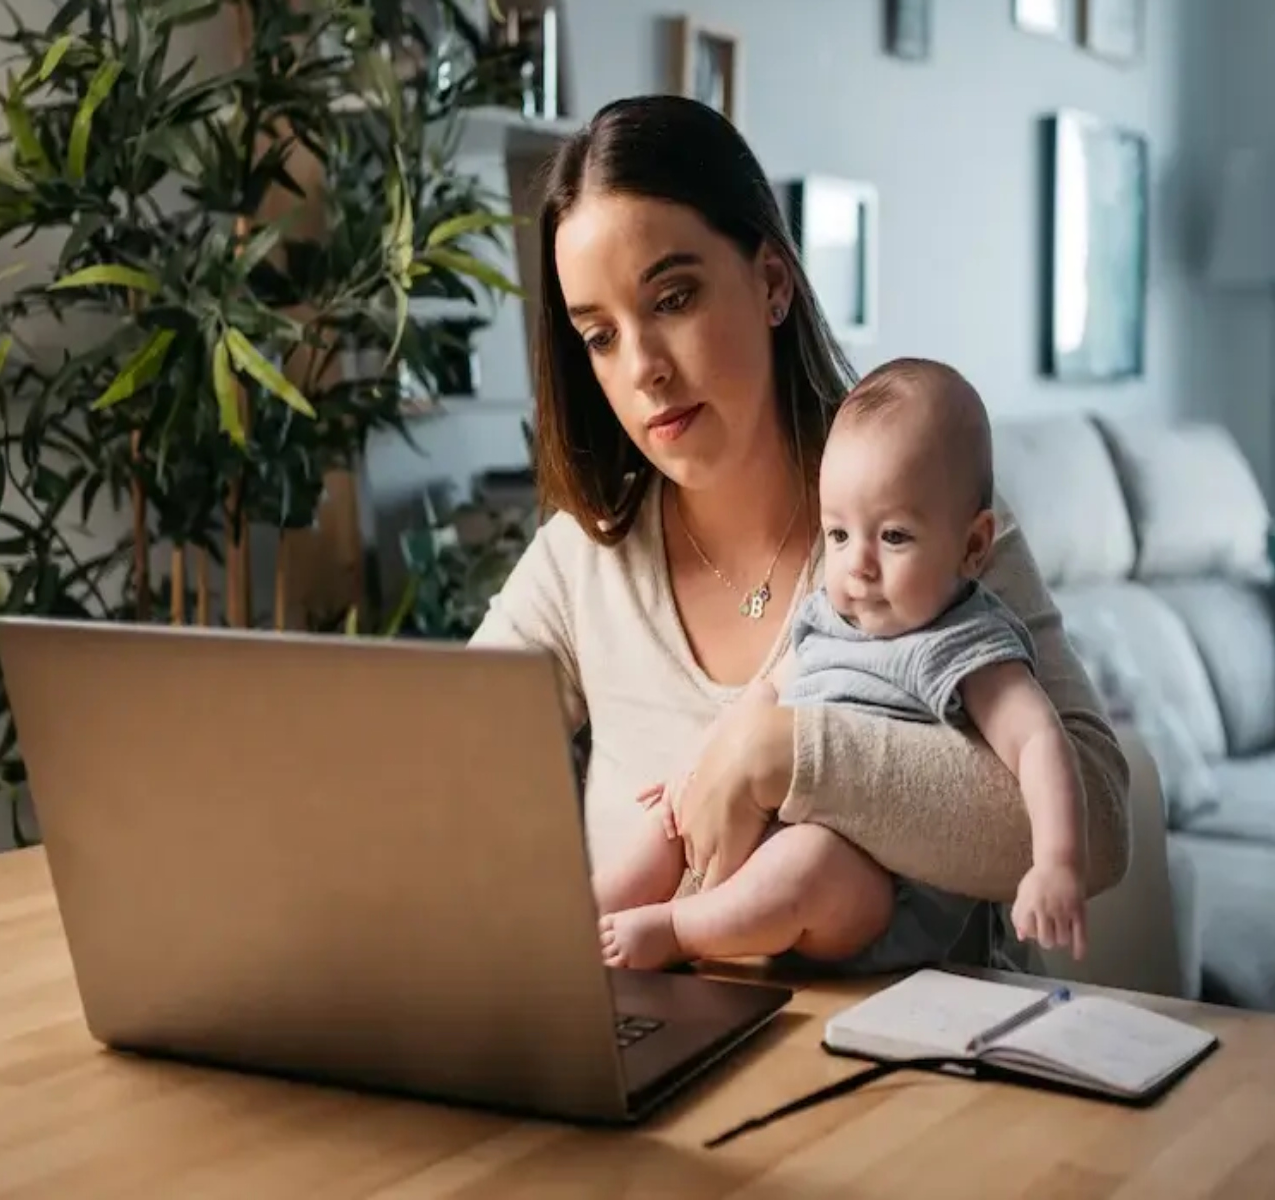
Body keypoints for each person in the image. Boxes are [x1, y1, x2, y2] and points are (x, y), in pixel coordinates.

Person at [468, 93, 1131, 976]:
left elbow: (1101, 818)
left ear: (773, 282)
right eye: (599, 335)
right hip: (656, 1052)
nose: (643, 369)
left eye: (673, 297)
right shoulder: (580, 559)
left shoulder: (918, 529)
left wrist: (785, 754)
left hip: (915, 1071)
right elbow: (439, 778)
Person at [599, 357, 1090, 970]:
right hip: (781, 834)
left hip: (879, 896)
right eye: (837, 535)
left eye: (893, 537)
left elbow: (1039, 742)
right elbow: (762, 701)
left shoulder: (966, 642)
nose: (858, 565)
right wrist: (698, 770)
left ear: (972, 546)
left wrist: (1056, 863)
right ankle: (580, 927)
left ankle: (677, 929)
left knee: (807, 862)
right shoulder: (829, 618)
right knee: (668, 817)